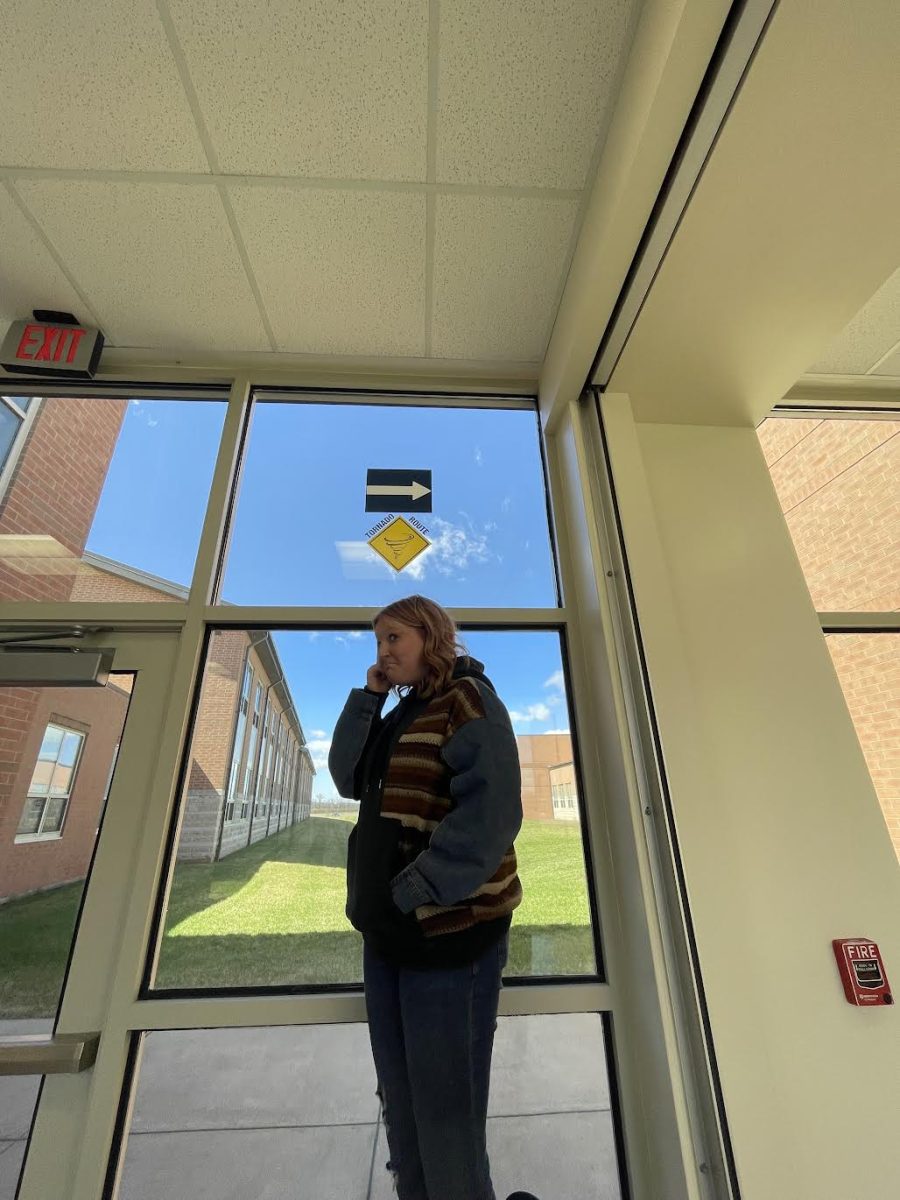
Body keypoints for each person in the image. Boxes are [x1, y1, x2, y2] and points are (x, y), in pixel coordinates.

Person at [329, 595, 540, 1200]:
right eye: (378, 643)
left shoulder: (468, 700)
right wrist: (369, 696)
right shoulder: (403, 711)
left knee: (446, 1110)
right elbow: (347, 779)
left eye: (395, 638)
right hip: (389, 933)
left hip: (448, 935)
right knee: (400, 1095)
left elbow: (493, 813)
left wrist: (416, 890)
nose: (384, 652)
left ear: (432, 636)